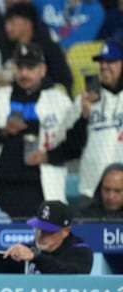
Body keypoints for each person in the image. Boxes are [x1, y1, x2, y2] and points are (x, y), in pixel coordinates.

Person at [0, 43, 72, 218]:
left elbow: (75, 145)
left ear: (42, 69)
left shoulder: (59, 101)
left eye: (30, 67)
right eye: (20, 67)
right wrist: (3, 131)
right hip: (2, 187)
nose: (24, 73)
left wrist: (47, 156)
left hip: (44, 188)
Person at [29, 40, 123, 208]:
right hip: (91, 189)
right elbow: (70, 146)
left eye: (111, 62)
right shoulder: (83, 100)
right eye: (101, 62)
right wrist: (83, 116)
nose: (104, 66)